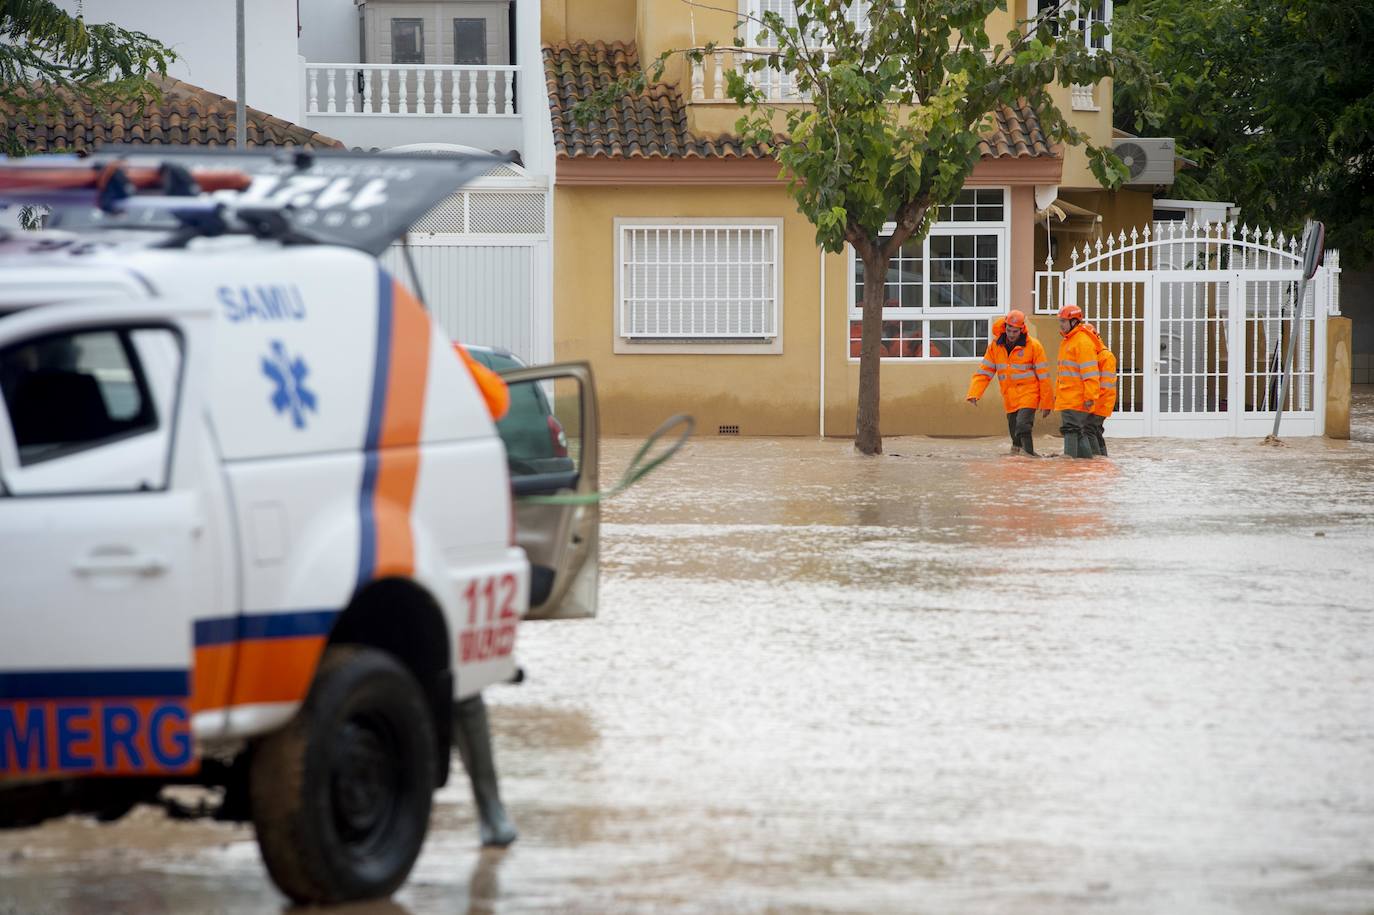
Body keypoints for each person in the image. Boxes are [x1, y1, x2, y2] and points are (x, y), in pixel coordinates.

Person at [966, 309, 1053, 455]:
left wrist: (1047, 403)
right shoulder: (995, 346)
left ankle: (1030, 457)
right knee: (1015, 434)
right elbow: (984, 372)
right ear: (1004, 327)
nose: (1011, 334)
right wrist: (974, 393)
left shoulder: (1033, 346)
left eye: (1015, 331)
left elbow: (1044, 377)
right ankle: (1017, 462)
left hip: (1029, 394)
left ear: (1022, 329)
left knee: (1023, 425)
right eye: (1009, 330)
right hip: (1010, 397)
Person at [1054, 304, 1101, 459]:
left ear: (1074, 321)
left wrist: (1089, 396)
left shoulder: (1081, 342)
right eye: (1060, 321)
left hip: (1075, 398)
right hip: (1068, 397)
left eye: (1063, 321)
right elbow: (1064, 373)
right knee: (1078, 432)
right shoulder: (1069, 341)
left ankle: (1070, 463)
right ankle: (1087, 464)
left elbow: (1090, 372)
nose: (1060, 324)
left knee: (1071, 430)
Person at [1082, 322, 1117, 456]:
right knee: (1095, 429)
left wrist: (1092, 402)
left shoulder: (1106, 356)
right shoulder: (1095, 355)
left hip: (1102, 403)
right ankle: (1101, 457)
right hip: (1099, 402)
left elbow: (1105, 387)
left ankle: (1096, 457)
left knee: (1090, 428)